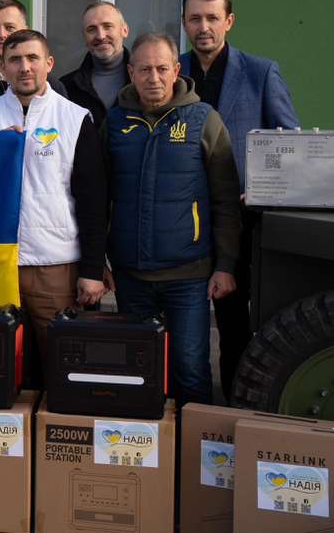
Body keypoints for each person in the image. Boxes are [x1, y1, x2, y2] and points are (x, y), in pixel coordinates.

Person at [104, 32, 242, 408]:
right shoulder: (114, 122)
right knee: (138, 371)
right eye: (145, 69)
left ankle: (192, 443)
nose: (154, 77)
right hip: (131, 275)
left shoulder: (203, 120)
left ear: (176, 70)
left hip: (188, 275)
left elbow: (226, 200)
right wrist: (99, 259)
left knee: (190, 369)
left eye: (162, 69)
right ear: (131, 72)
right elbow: (98, 197)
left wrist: (225, 265)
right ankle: (146, 443)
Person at [179, 0, 300, 399]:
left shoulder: (260, 72)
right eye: (195, 18)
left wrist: (265, 188)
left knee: (234, 323)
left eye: (212, 18)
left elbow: (288, 142)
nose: (204, 27)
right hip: (185, 219)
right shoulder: (172, 71)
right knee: (184, 319)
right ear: (184, 23)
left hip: (242, 219)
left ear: (228, 21)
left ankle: (236, 403)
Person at [0, 29, 106, 370]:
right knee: (3, 362)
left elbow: (93, 201)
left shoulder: (75, 118)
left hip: (55, 264)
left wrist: (92, 269)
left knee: (61, 361)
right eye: (15, 60)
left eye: (33, 58)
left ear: (49, 63)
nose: (24, 67)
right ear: (2, 67)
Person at [59, 1, 132, 127]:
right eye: (91, 29)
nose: (100, 36)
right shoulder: (66, 88)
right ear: (84, 37)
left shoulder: (143, 81)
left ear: (124, 30)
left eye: (107, 26)